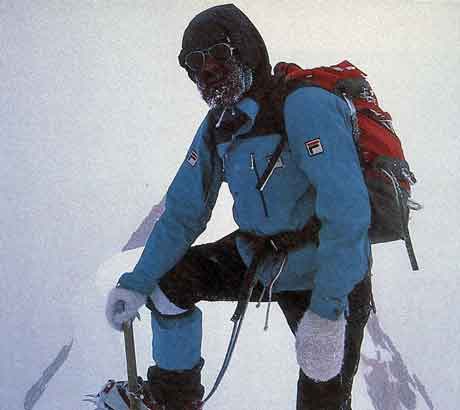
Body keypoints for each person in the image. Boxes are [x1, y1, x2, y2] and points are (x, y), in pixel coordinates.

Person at [105, 4, 373, 410]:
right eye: (193, 64)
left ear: (244, 49)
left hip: (328, 272)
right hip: (263, 259)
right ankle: (173, 400)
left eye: (216, 55)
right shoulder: (218, 127)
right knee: (169, 286)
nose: (205, 71)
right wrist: (138, 281)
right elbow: (183, 212)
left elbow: (347, 213)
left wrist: (328, 309)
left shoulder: (304, 107)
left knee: (323, 394)